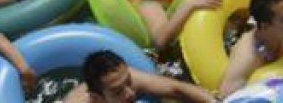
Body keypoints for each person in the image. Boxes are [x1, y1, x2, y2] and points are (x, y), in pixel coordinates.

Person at [63, 50, 216, 102]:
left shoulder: (123, 79)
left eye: (128, 82)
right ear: (96, 98)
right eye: (118, 92)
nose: (130, 93)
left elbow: (177, 88)